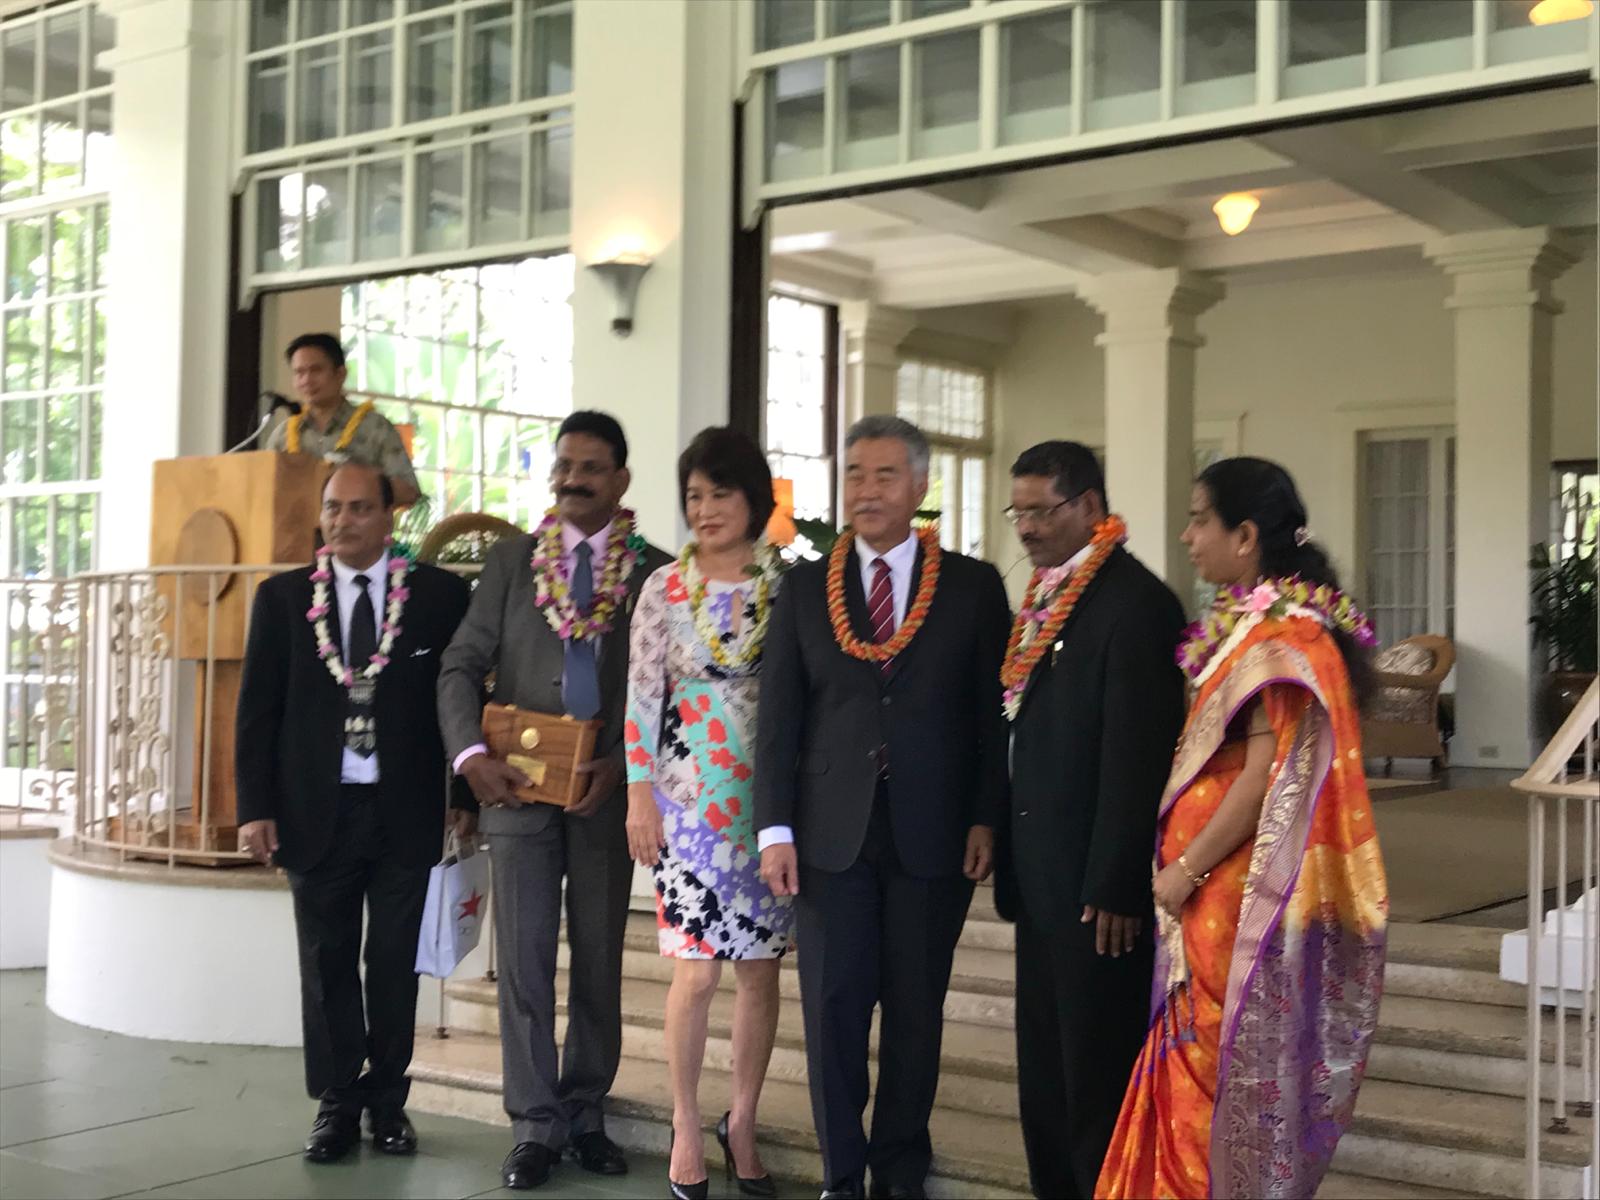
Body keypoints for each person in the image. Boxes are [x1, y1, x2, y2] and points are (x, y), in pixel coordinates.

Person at [1097, 457, 1388, 1200]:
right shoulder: (1260, 627)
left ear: (1247, 535)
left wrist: (1183, 869)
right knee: (1195, 1073)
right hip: (1212, 900)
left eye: (1200, 518)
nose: (1190, 536)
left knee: (1209, 1083)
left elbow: (1264, 781)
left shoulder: (1282, 639)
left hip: (1230, 902)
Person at [755, 415, 1011, 1200]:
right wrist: (774, 829)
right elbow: (779, 717)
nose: (867, 491)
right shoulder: (803, 586)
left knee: (914, 1012)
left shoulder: (972, 588)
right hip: (829, 837)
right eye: (856, 475)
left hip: (933, 836)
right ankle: (841, 1173)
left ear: (920, 488)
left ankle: (899, 1170)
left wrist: (984, 817)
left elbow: (990, 717)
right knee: (833, 1008)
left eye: (885, 476)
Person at [437, 410, 671, 1191]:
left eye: (591, 467)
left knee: (601, 957)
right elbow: (460, 666)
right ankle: (534, 1125)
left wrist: (625, 766)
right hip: (514, 791)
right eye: (564, 465)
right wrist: (472, 758)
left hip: (606, 797)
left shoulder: (656, 575)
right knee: (527, 962)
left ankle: (587, 1112)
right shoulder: (510, 564)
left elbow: (670, 694)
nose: (573, 478)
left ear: (622, 481)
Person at [235, 461, 473, 1164]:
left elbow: (458, 702)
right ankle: (337, 1105)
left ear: (388, 517)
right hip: (315, 812)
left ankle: (390, 1105)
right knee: (327, 960)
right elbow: (257, 713)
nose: (343, 521)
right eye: (333, 508)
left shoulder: (436, 597)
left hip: (404, 810)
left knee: (393, 963)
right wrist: (255, 808)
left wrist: (462, 797)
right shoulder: (282, 600)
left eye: (359, 509)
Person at [992, 442, 1187, 1200]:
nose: (1028, 528)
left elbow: (1135, 758)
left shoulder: (1137, 605)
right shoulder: (1045, 595)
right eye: (1020, 511)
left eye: (1041, 510)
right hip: (1039, 876)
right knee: (1045, 1073)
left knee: (1096, 1075)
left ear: (1090, 508)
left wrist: (1115, 883)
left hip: (1095, 891)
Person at [623, 427, 792, 1200]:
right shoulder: (661, 587)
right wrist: (638, 797)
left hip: (769, 807)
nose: (705, 508)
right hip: (688, 804)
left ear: (752, 497)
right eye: (694, 495)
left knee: (759, 971)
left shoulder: (787, 585)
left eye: (720, 493)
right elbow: (641, 698)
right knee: (694, 975)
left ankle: (744, 1118)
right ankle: (687, 1120)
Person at [266, 332, 421, 506]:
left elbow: (408, 491)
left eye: (316, 370)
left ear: (340, 374)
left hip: (358, 531)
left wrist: (356, 487)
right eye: (299, 373)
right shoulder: (282, 436)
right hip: (294, 532)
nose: (307, 380)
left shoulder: (375, 427)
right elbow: (264, 492)